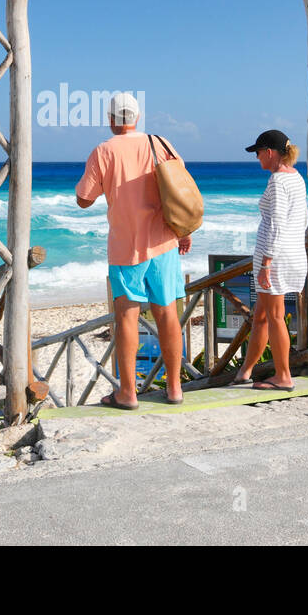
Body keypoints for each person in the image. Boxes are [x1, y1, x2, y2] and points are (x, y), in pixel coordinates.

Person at [75, 91, 192, 409]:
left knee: (126, 317)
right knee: (167, 313)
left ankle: (127, 393)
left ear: (111, 120)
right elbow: (180, 189)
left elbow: (84, 199)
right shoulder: (160, 143)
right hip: (164, 243)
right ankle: (174, 388)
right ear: (138, 118)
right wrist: (183, 229)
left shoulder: (104, 151)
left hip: (126, 248)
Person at [233, 129, 308, 391]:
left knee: (275, 316)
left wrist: (266, 263)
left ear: (269, 152)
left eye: (257, 153)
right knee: (263, 316)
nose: (256, 158)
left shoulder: (277, 181)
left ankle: (283, 376)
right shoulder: (296, 178)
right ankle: (246, 371)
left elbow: (275, 224)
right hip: (293, 253)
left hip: (275, 258)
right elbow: (299, 219)